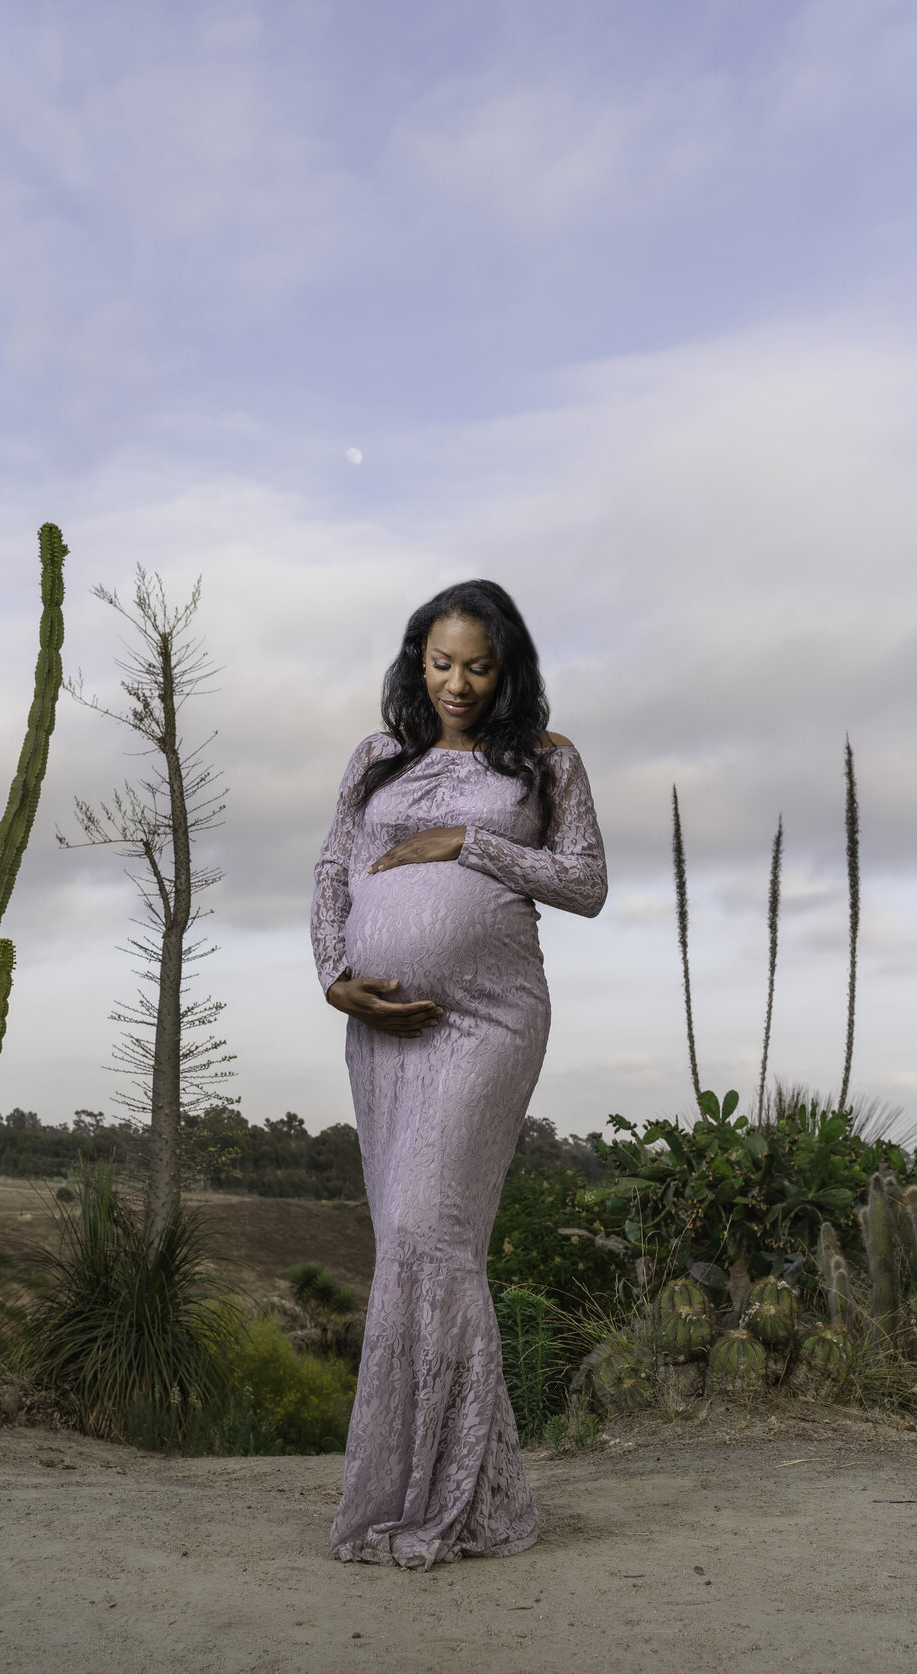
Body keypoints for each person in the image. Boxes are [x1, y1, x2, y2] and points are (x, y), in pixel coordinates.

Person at [310, 580, 607, 1569]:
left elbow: (585, 883)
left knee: (431, 1228)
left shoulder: (548, 762)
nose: (458, 684)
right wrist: (336, 983)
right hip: (381, 1028)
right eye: (441, 663)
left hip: (490, 1020)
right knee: (404, 1244)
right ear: (417, 661)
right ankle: (440, 1493)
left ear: (507, 667)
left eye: (478, 666)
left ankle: (456, 1501)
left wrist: (467, 842)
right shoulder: (376, 758)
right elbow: (333, 877)